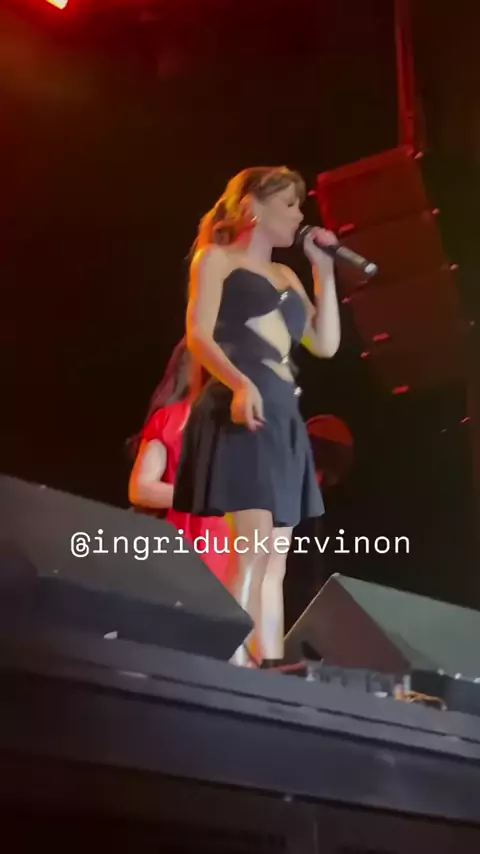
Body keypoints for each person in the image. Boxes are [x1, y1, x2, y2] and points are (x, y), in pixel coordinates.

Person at [172, 166, 341, 667]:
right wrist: (240, 383)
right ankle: (229, 664)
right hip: (243, 410)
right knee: (252, 547)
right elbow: (198, 334)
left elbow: (326, 344)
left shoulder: (288, 276)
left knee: (275, 561)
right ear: (252, 207)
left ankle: (267, 666)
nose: (299, 215)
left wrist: (324, 271)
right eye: (288, 204)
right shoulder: (217, 259)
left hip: (284, 418)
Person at [128, 337, 231, 584]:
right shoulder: (169, 419)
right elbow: (141, 489)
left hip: (225, 558)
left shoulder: (245, 426)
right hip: (175, 552)